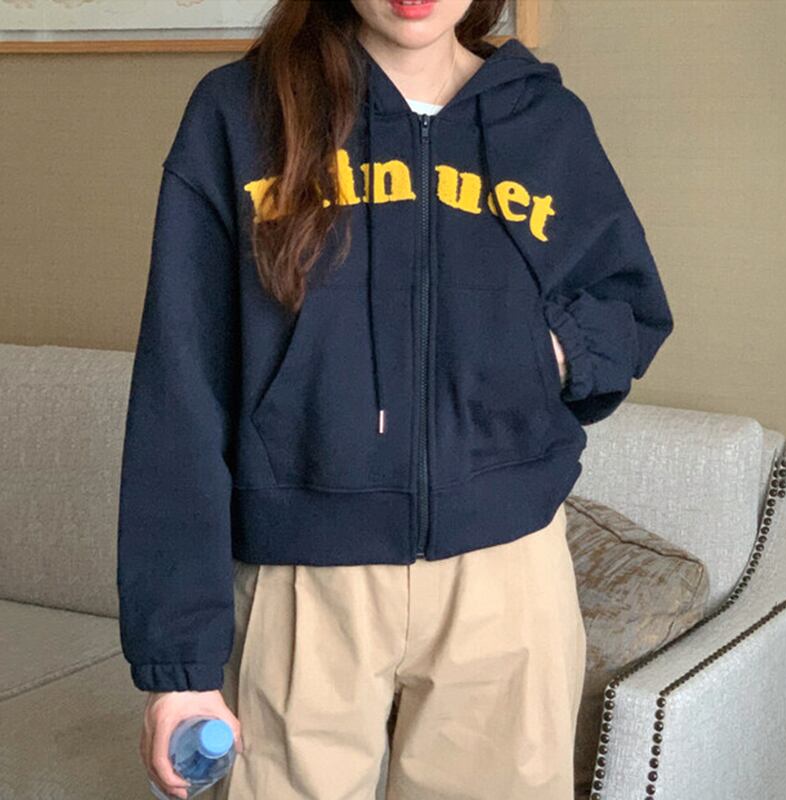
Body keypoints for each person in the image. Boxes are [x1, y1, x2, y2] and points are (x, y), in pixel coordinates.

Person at [116, 1, 675, 798]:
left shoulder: (545, 121)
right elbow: (180, 389)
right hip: (305, 584)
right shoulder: (241, 114)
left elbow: (628, 305)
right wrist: (179, 667)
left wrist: (544, 354)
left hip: (507, 578)